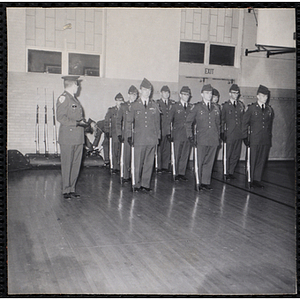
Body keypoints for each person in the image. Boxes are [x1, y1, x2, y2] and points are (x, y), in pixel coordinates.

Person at [56, 75, 89, 199]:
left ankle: (72, 188)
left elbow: (77, 117)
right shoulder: (64, 98)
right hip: (68, 138)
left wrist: (85, 124)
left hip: (78, 137)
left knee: (76, 164)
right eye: (77, 84)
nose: (78, 87)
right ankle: (66, 190)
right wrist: (77, 123)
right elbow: (61, 117)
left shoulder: (74, 100)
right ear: (71, 85)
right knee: (67, 164)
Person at [126, 78, 161, 192]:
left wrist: (158, 137)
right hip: (139, 139)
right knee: (137, 163)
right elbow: (128, 122)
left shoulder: (154, 105)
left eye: (149, 90)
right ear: (140, 90)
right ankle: (136, 184)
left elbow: (157, 123)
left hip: (151, 138)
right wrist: (129, 136)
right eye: (144, 90)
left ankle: (145, 184)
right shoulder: (134, 105)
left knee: (149, 163)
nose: (147, 92)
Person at [185, 84, 221, 191]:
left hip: (213, 139)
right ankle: (198, 182)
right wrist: (190, 136)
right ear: (202, 94)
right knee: (199, 162)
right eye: (206, 93)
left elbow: (218, 124)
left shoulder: (216, 108)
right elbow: (188, 123)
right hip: (201, 139)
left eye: (210, 93)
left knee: (209, 162)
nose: (209, 95)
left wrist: (218, 136)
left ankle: (206, 182)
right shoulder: (197, 107)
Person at [242, 84, 274, 188]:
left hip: (265, 139)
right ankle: (250, 179)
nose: (265, 98)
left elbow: (269, 125)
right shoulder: (251, 108)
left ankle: (257, 179)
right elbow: (244, 123)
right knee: (252, 159)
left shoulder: (269, 110)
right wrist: (245, 136)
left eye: (266, 96)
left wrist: (269, 137)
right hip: (254, 138)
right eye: (263, 96)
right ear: (257, 96)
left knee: (261, 160)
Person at [168, 86, 193, 181]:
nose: (186, 96)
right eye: (184, 94)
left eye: (188, 95)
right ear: (180, 95)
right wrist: (168, 133)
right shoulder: (175, 106)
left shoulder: (191, 107)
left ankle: (181, 173)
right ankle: (175, 172)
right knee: (176, 154)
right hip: (178, 134)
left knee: (185, 154)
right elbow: (169, 120)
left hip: (187, 134)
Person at [221, 84, 245, 179]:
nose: (235, 95)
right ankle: (226, 172)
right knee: (228, 154)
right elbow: (222, 120)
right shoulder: (226, 106)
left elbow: (243, 120)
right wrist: (222, 132)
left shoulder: (240, 105)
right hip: (229, 134)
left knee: (236, 154)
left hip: (238, 134)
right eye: (233, 93)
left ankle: (231, 172)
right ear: (229, 93)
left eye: (237, 93)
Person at [116, 85, 139, 182]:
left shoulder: (139, 105)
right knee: (126, 156)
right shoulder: (123, 106)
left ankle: (135, 175)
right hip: (126, 134)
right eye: (131, 94)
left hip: (138, 134)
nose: (133, 96)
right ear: (128, 95)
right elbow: (118, 121)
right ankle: (126, 175)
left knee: (137, 156)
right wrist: (119, 134)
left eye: (135, 95)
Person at [156, 85, 175, 173]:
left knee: (167, 149)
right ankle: (158, 167)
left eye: (168, 92)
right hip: (160, 130)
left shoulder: (172, 104)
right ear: (161, 93)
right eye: (164, 92)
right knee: (159, 149)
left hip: (168, 131)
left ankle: (165, 166)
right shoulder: (157, 104)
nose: (166, 94)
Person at [104, 93, 125, 173]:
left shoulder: (124, 110)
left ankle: (120, 167)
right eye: (118, 100)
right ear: (115, 101)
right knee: (114, 150)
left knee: (121, 151)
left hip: (122, 133)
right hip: (114, 133)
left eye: (121, 100)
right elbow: (106, 121)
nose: (119, 102)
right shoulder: (111, 110)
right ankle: (114, 167)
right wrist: (107, 131)